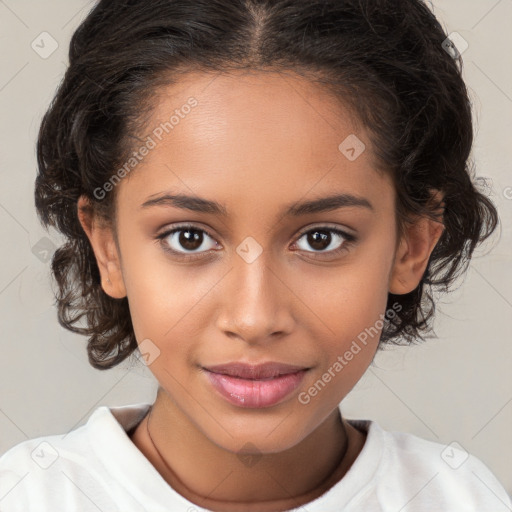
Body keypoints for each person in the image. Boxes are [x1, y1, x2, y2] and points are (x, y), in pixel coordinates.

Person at [0, 0, 510, 510]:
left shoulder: (458, 497)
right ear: (108, 247)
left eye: (321, 238)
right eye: (190, 238)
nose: (253, 318)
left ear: (412, 245)